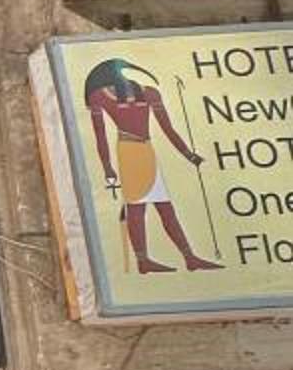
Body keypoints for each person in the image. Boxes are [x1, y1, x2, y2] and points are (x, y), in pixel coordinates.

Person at [82, 57, 220, 275]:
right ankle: (144, 260)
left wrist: (188, 155)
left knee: (164, 207)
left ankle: (188, 257)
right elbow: (100, 137)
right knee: (137, 207)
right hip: (129, 152)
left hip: (145, 151)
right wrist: (107, 167)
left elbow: (167, 128)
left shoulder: (148, 93)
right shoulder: (100, 97)